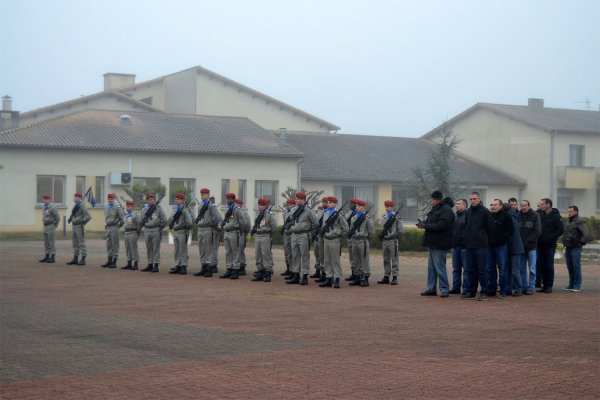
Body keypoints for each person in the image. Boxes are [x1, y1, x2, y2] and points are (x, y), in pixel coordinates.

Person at [417, 190, 454, 297]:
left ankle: (444, 289)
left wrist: (426, 226)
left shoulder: (446, 210)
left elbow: (442, 225)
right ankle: (431, 289)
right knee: (431, 268)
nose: (430, 201)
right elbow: (431, 222)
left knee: (440, 267)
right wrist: (423, 223)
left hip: (440, 243)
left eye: (432, 199)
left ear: (436, 199)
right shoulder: (436, 209)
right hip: (432, 242)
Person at [461, 191, 494, 301]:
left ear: (479, 199)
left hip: (481, 245)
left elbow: (490, 228)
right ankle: (471, 292)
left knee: (481, 270)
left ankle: (484, 292)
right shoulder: (468, 212)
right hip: (469, 245)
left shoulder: (485, 211)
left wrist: (486, 241)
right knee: (470, 269)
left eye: (474, 198)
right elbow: (465, 227)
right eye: (471, 199)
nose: (472, 201)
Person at [286, 192, 318, 285]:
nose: (296, 201)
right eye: (296, 199)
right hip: (294, 235)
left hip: (304, 235)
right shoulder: (294, 209)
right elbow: (292, 221)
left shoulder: (308, 210)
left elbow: (315, 223)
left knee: (304, 256)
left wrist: (307, 228)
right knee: (295, 255)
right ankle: (296, 274)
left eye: (298, 199)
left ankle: (305, 275)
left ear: (303, 200)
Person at [536, 198, 564, 293]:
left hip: (550, 245)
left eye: (543, 204)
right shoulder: (540, 215)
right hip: (540, 245)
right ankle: (544, 285)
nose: (541, 206)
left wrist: (550, 238)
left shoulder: (556, 216)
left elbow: (560, 230)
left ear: (548, 205)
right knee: (541, 265)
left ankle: (549, 285)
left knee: (548, 265)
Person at [562, 206, 592, 292]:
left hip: (575, 247)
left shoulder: (579, 221)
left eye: (570, 211)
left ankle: (577, 285)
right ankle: (571, 284)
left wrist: (580, 242)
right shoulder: (569, 221)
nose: (568, 213)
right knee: (570, 266)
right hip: (568, 247)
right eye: (568, 211)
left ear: (575, 212)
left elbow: (586, 233)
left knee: (576, 266)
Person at [194, 188, 222, 277]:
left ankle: (209, 268)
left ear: (208, 195)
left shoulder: (211, 206)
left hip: (208, 229)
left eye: (205, 194)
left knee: (208, 249)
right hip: (201, 229)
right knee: (201, 250)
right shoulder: (200, 206)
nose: (203, 196)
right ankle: (203, 267)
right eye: (202, 194)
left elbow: (216, 218)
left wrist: (211, 225)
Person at [487, 199, 512, 298]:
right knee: (490, 269)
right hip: (489, 246)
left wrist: (501, 240)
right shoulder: (488, 216)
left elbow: (510, 232)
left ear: (500, 206)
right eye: (491, 204)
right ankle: (491, 289)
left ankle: (503, 290)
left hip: (501, 246)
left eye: (495, 205)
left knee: (502, 269)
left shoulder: (506, 216)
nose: (493, 206)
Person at [348, 199, 375, 287]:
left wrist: (365, 238)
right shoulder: (353, 217)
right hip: (354, 240)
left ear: (363, 207)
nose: (357, 207)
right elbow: (351, 229)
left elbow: (371, 231)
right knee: (355, 259)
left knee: (364, 259)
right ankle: (357, 277)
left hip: (362, 240)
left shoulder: (367, 218)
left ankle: (366, 278)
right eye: (357, 206)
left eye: (359, 206)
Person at [378, 200, 404, 285]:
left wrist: (397, 237)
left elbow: (401, 230)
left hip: (393, 240)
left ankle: (395, 277)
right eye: (386, 206)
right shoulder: (384, 217)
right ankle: (386, 276)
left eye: (389, 206)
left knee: (394, 259)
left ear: (392, 207)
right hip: (385, 241)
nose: (387, 208)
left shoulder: (396, 217)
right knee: (386, 259)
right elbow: (382, 228)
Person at [251, 197, 277, 282]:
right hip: (258, 236)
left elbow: (274, 226)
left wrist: (268, 232)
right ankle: (260, 271)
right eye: (258, 204)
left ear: (266, 205)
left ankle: (268, 273)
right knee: (258, 255)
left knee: (266, 254)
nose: (259, 206)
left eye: (261, 205)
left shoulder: (269, 214)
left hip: (265, 235)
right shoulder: (257, 214)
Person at [140, 193, 167, 273]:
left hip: (156, 230)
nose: (152, 201)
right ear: (147, 200)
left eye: (153, 199)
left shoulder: (159, 208)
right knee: (149, 248)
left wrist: (160, 227)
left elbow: (164, 219)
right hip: (147, 230)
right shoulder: (144, 209)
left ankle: (156, 265)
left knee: (156, 248)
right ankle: (150, 264)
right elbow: (142, 219)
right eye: (150, 199)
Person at [518, 200, 540, 295]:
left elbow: (537, 231)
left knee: (532, 268)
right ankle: (524, 286)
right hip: (521, 248)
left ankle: (531, 287)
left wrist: (528, 241)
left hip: (531, 247)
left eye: (525, 205)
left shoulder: (535, 216)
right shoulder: (518, 216)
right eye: (522, 205)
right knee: (522, 268)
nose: (523, 207)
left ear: (529, 206)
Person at [168, 193, 193, 275]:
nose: (176, 200)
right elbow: (171, 219)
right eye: (176, 199)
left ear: (182, 201)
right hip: (175, 232)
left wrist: (182, 226)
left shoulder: (185, 210)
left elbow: (189, 222)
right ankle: (177, 265)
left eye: (178, 199)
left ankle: (183, 266)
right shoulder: (175, 209)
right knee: (177, 250)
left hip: (182, 232)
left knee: (183, 250)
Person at [220, 193, 244, 279]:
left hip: (234, 232)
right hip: (227, 232)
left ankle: (235, 270)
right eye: (227, 198)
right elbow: (226, 220)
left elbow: (241, 221)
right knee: (228, 252)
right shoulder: (227, 209)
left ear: (234, 199)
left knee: (235, 252)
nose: (228, 200)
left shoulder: (237, 209)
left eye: (229, 199)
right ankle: (229, 268)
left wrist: (229, 226)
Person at [504, 202, 524, 296]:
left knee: (515, 271)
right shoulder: (513, 217)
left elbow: (510, 234)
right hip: (514, 247)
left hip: (514, 248)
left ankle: (518, 289)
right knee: (513, 270)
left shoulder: (510, 218)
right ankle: (511, 288)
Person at [66, 192, 92, 266]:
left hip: (79, 226)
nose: (76, 198)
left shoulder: (82, 206)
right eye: (75, 197)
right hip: (74, 226)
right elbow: (74, 215)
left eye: (77, 197)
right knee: (75, 242)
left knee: (81, 243)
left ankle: (83, 259)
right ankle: (75, 258)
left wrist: (82, 223)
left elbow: (88, 217)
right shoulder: (75, 206)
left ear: (80, 198)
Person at [101, 193, 124, 269]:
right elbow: (106, 218)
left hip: (114, 227)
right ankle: (109, 260)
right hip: (108, 227)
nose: (110, 200)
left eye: (111, 199)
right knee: (109, 245)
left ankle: (114, 261)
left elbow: (122, 218)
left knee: (115, 245)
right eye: (109, 199)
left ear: (114, 199)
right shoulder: (106, 207)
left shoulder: (117, 207)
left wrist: (118, 226)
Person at [450, 199, 468, 294]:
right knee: (456, 269)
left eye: (459, 204)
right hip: (455, 247)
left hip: (465, 247)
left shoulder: (468, 216)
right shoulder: (454, 216)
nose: (457, 205)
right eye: (456, 204)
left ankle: (465, 288)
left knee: (466, 269)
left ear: (465, 205)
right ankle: (456, 288)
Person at [39, 194, 61, 264]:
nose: (45, 200)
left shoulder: (52, 207)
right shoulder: (43, 207)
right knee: (46, 242)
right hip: (45, 226)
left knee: (51, 242)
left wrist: (55, 225)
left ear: (49, 200)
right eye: (44, 199)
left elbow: (57, 217)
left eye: (47, 199)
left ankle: (52, 257)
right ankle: (47, 255)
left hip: (51, 225)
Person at [311, 197, 328, 281]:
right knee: (318, 255)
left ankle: (325, 274)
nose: (323, 204)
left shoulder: (331, 213)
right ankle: (319, 271)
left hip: (326, 237)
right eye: (323, 202)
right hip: (318, 236)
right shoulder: (320, 212)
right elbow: (316, 224)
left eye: (325, 202)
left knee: (325, 256)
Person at [121, 200, 141, 270]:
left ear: (132, 207)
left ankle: (135, 263)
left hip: (133, 232)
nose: (127, 207)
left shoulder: (136, 215)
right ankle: (129, 262)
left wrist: (137, 233)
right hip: (126, 233)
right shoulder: (125, 215)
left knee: (133, 249)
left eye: (129, 206)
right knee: (128, 248)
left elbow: (139, 225)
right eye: (126, 206)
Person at [235, 198, 251, 276]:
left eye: (237, 204)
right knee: (236, 251)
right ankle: (236, 266)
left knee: (240, 251)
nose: (236, 205)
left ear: (241, 205)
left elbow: (248, 225)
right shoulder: (234, 211)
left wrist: (245, 234)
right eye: (235, 203)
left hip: (241, 234)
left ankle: (242, 267)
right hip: (235, 234)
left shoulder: (244, 213)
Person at [281, 198, 296, 277]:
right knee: (286, 253)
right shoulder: (285, 212)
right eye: (288, 204)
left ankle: (293, 270)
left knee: (292, 253)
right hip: (286, 234)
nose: (289, 206)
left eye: (291, 204)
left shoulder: (295, 212)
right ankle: (289, 268)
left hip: (291, 233)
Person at [344, 198, 359, 281]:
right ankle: (353, 273)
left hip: (356, 237)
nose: (351, 205)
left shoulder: (359, 214)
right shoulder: (348, 213)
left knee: (356, 256)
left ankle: (358, 274)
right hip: (350, 237)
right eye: (350, 203)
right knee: (351, 256)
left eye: (353, 204)